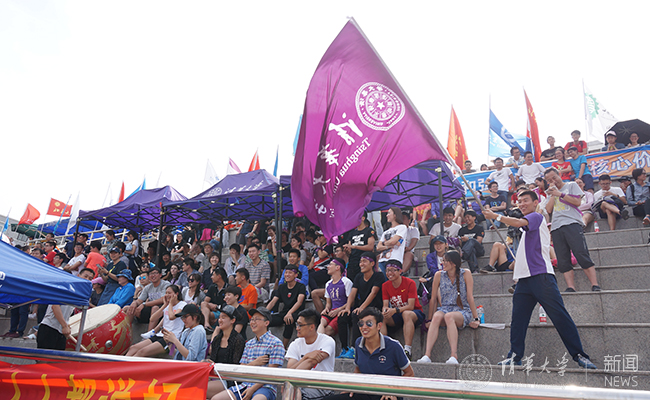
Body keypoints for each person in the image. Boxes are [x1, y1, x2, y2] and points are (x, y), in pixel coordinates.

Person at [483, 190, 596, 369]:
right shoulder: (526, 227)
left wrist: (496, 216)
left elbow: (518, 222)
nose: (522, 204)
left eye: (525, 200)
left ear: (536, 202)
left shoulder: (536, 216)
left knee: (559, 316)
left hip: (541, 277)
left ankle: (580, 355)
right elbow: (519, 225)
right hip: (524, 281)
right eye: (519, 201)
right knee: (518, 320)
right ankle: (515, 356)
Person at [322, 307, 414, 400]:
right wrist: (351, 386)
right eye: (361, 323)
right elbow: (358, 369)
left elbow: (409, 374)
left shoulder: (393, 346)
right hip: (365, 391)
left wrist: (393, 390)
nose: (364, 327)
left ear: (379, 326)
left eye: (369, 323)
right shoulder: (358, 343)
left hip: (387, 394)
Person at [544, 168, 601, 292]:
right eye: (549, 180)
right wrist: (553, 193)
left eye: (554, 177)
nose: (553, 181)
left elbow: (577, 202)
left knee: (581, 253)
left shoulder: (571, 185)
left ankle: (595, 284)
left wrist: (560, 194)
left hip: (572, 223)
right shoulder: (551, 192)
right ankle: (571, 286)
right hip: (556, 226)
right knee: (563, 258)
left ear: (559, 175)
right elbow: (548, 209)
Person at [417, 250, 479, 364]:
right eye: (443, 260)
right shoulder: (438, 275)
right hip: (444, 308)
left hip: (462, 311)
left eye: (445, 261)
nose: (442, 263)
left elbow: (470, 297)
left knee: (449, 317)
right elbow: (433, 298)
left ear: (454, 263)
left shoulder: (466, 273)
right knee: (437, 316)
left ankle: (453, 356)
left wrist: (476, 318)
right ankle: (427, 355)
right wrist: (429, 319)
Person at [211, 307, 285, 400]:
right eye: (252, 319)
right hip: (245, 385)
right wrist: (255, 363)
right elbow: (241, 369)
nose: (253, 322)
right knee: (216, 398)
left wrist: (252, 389)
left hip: (265, 387)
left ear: (266, 323)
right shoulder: (249, 344)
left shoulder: (275, 343)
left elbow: (271, 374)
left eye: (256, 319)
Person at [337, 252, 385, 359]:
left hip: (375, 308)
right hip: (362, 308)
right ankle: (344, 348)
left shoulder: (379, 276)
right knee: (342, 316)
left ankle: (354, 349)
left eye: (364, 261)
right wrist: (347, 308)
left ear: (372, 263)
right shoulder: (359, 276)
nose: (361, 264)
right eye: (360, 261)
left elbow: (373, 293)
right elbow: (353, 293)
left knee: (357, 315)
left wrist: (362, 307)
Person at [287, 309, 336, 400]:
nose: (297, 328)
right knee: (292, 390)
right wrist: (305, 357)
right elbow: (289, 371)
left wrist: (291, 378)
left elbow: (311, 362)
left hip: (322, 386)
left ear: (312, 327)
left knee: (294, 391)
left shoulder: (327, 341)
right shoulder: (295, 344)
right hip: (299, 383)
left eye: (300, 325)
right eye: (297, 324)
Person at [381, 260, 425, 360]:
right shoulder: (385, 285)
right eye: (387, 270)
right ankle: (383, 347)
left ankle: (407, 350)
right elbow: (385, 305)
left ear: (400, 271)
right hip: (397, 313)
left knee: (406, 314)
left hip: (414, 313)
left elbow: (411, 306)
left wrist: (394, 310)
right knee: (381, 316)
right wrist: (385, 310)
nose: (389, 273)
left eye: (393, 270)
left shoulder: (410, 283)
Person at [127, 285, 186, 358]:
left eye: (169, 293)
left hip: (171, 339)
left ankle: (127, 365)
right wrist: (164, 305)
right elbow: (152, 319)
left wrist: (170, 304)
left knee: (142, 352)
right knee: (133, 348)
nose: (167, 295)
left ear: (176, 294)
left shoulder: (182, 304)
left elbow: (172, 317)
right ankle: (119, 363)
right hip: (160, 335)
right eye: (166, 293)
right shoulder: (167, 306)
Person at [206, 305, 246, 399]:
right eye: (219, 317)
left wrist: (216, 366)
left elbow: (235, 366)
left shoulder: (238, 339)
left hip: (230, 379)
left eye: (223, 317)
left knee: (201, 388)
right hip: (215, 376)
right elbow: (212, 360)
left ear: (232, 320)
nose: (220, 320)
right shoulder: (217, 339)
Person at [267, 264, 307, 348]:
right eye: (286, 272)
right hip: (284, 312)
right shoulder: (282, 287)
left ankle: (283, 347)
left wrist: (289, 313)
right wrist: (264, 312)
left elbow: (299, 302)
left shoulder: (301, 286)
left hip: (297, 312)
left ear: (296, 275)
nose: (287, 275)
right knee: (266, 321)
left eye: (290, 273)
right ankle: (266, 344)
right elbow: (273, 301)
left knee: (289, 320)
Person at [318, 258, 353, 343]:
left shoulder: (346, 282)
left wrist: (339, 310)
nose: (328, 267)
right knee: (322, 322)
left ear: (337, 267)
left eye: (330, 264)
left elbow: (351, 302)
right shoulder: (328, 284)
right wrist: (326, 308)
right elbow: (328, 303)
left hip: (342, 311)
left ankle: (320, 346)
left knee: (327, 330)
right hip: (332, 310)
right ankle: (317, 344)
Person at [342, 212, 376, 282]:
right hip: (352, 262)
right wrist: (347, 250)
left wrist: (355, 247)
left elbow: (370, 247)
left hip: (365, 261)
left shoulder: (369, 231)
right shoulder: (352, 233)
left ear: (363, 218)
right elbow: (350, 249)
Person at [375, 206, 407, 275]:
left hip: (394, 259)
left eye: (389, 213)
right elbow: (378, 247)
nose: (387, 215)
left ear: (395, 215)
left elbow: (393, 241)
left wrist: (384, 243)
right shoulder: (385, 232)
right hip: (382, 260)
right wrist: (388, 246)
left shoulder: (402, 227)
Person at [201, 267, 230, 333]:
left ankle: (208, 323)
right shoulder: (212, 287)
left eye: (213, 275)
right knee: (203, 304)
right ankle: (207, 324)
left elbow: (228, 305)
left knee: (203, 314)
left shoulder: (228, 288)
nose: (211, 277)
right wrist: (211, 305)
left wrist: (217, 307)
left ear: (219, 276)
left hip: (222, 311)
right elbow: (206, 301)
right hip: (211, 311)